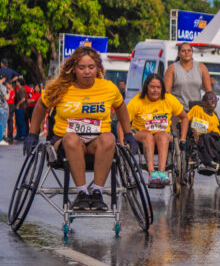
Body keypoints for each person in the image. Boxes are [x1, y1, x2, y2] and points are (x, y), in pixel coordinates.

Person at [24, 46, 137, 212]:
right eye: (82, 67)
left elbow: (120, 107)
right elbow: (41, 105)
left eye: (91, 67)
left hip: (96, 140)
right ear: (74, 68)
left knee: (109, 138)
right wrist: (33, 134)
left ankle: (97, 193)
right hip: (64, 141)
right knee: (72, 138)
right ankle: (82, 193)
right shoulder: (60, 87)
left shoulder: (108, 88)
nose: (87, 72)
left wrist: (128, 133)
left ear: (98, 68)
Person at [120, 74, 188, 187]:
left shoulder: (169, 99)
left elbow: (184, 117)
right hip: (140, 132)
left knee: (163, 136)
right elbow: (122, 122)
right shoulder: (137, 101)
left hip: (162, 133)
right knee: (148, 137)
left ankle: (161, 172)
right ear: (146, 87)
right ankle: (152, 173)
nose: (155, 90)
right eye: (152, 87)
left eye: (158, 87)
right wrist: (122, 143)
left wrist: (183, 139)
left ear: (162, 89)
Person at [163, 42, 212, 111]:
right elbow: (167, 93)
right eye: (183, 51)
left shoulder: (201, 67)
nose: (186, 52)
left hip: (196, 109)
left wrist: (210, 106)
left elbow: (209, 91)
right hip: (178, 110)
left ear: (192, 53)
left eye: (189, 50)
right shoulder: (172, 68)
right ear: (178, 54)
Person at [187, 91, 220, 173]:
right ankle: (213, 161)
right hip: (198, 135)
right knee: (204, 138)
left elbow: (217, 131)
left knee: (207, 137)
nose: (213, 100)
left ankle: (211, 161)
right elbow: (185, 120)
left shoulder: (215, 116)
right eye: (210, 98)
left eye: (215, 98)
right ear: (204, 102)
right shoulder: (196, 109)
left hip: (213, 137)